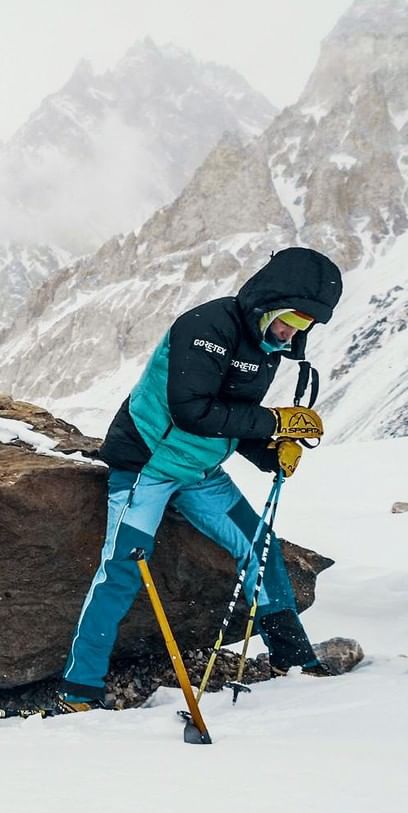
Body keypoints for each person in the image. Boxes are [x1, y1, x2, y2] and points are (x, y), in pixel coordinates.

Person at [59, 247, 344, 710]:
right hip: (146, 468)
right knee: (122, 572)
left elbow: (234, 416)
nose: (293, 331)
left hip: (200, 472)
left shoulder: (268, 346)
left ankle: (292, 663)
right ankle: (79, 690)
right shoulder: (206, 327)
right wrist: (275, 424)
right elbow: (193, 412)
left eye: (306, 325)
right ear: (268, 301)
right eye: (292, 317)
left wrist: (271, 455)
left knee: (261, 550)